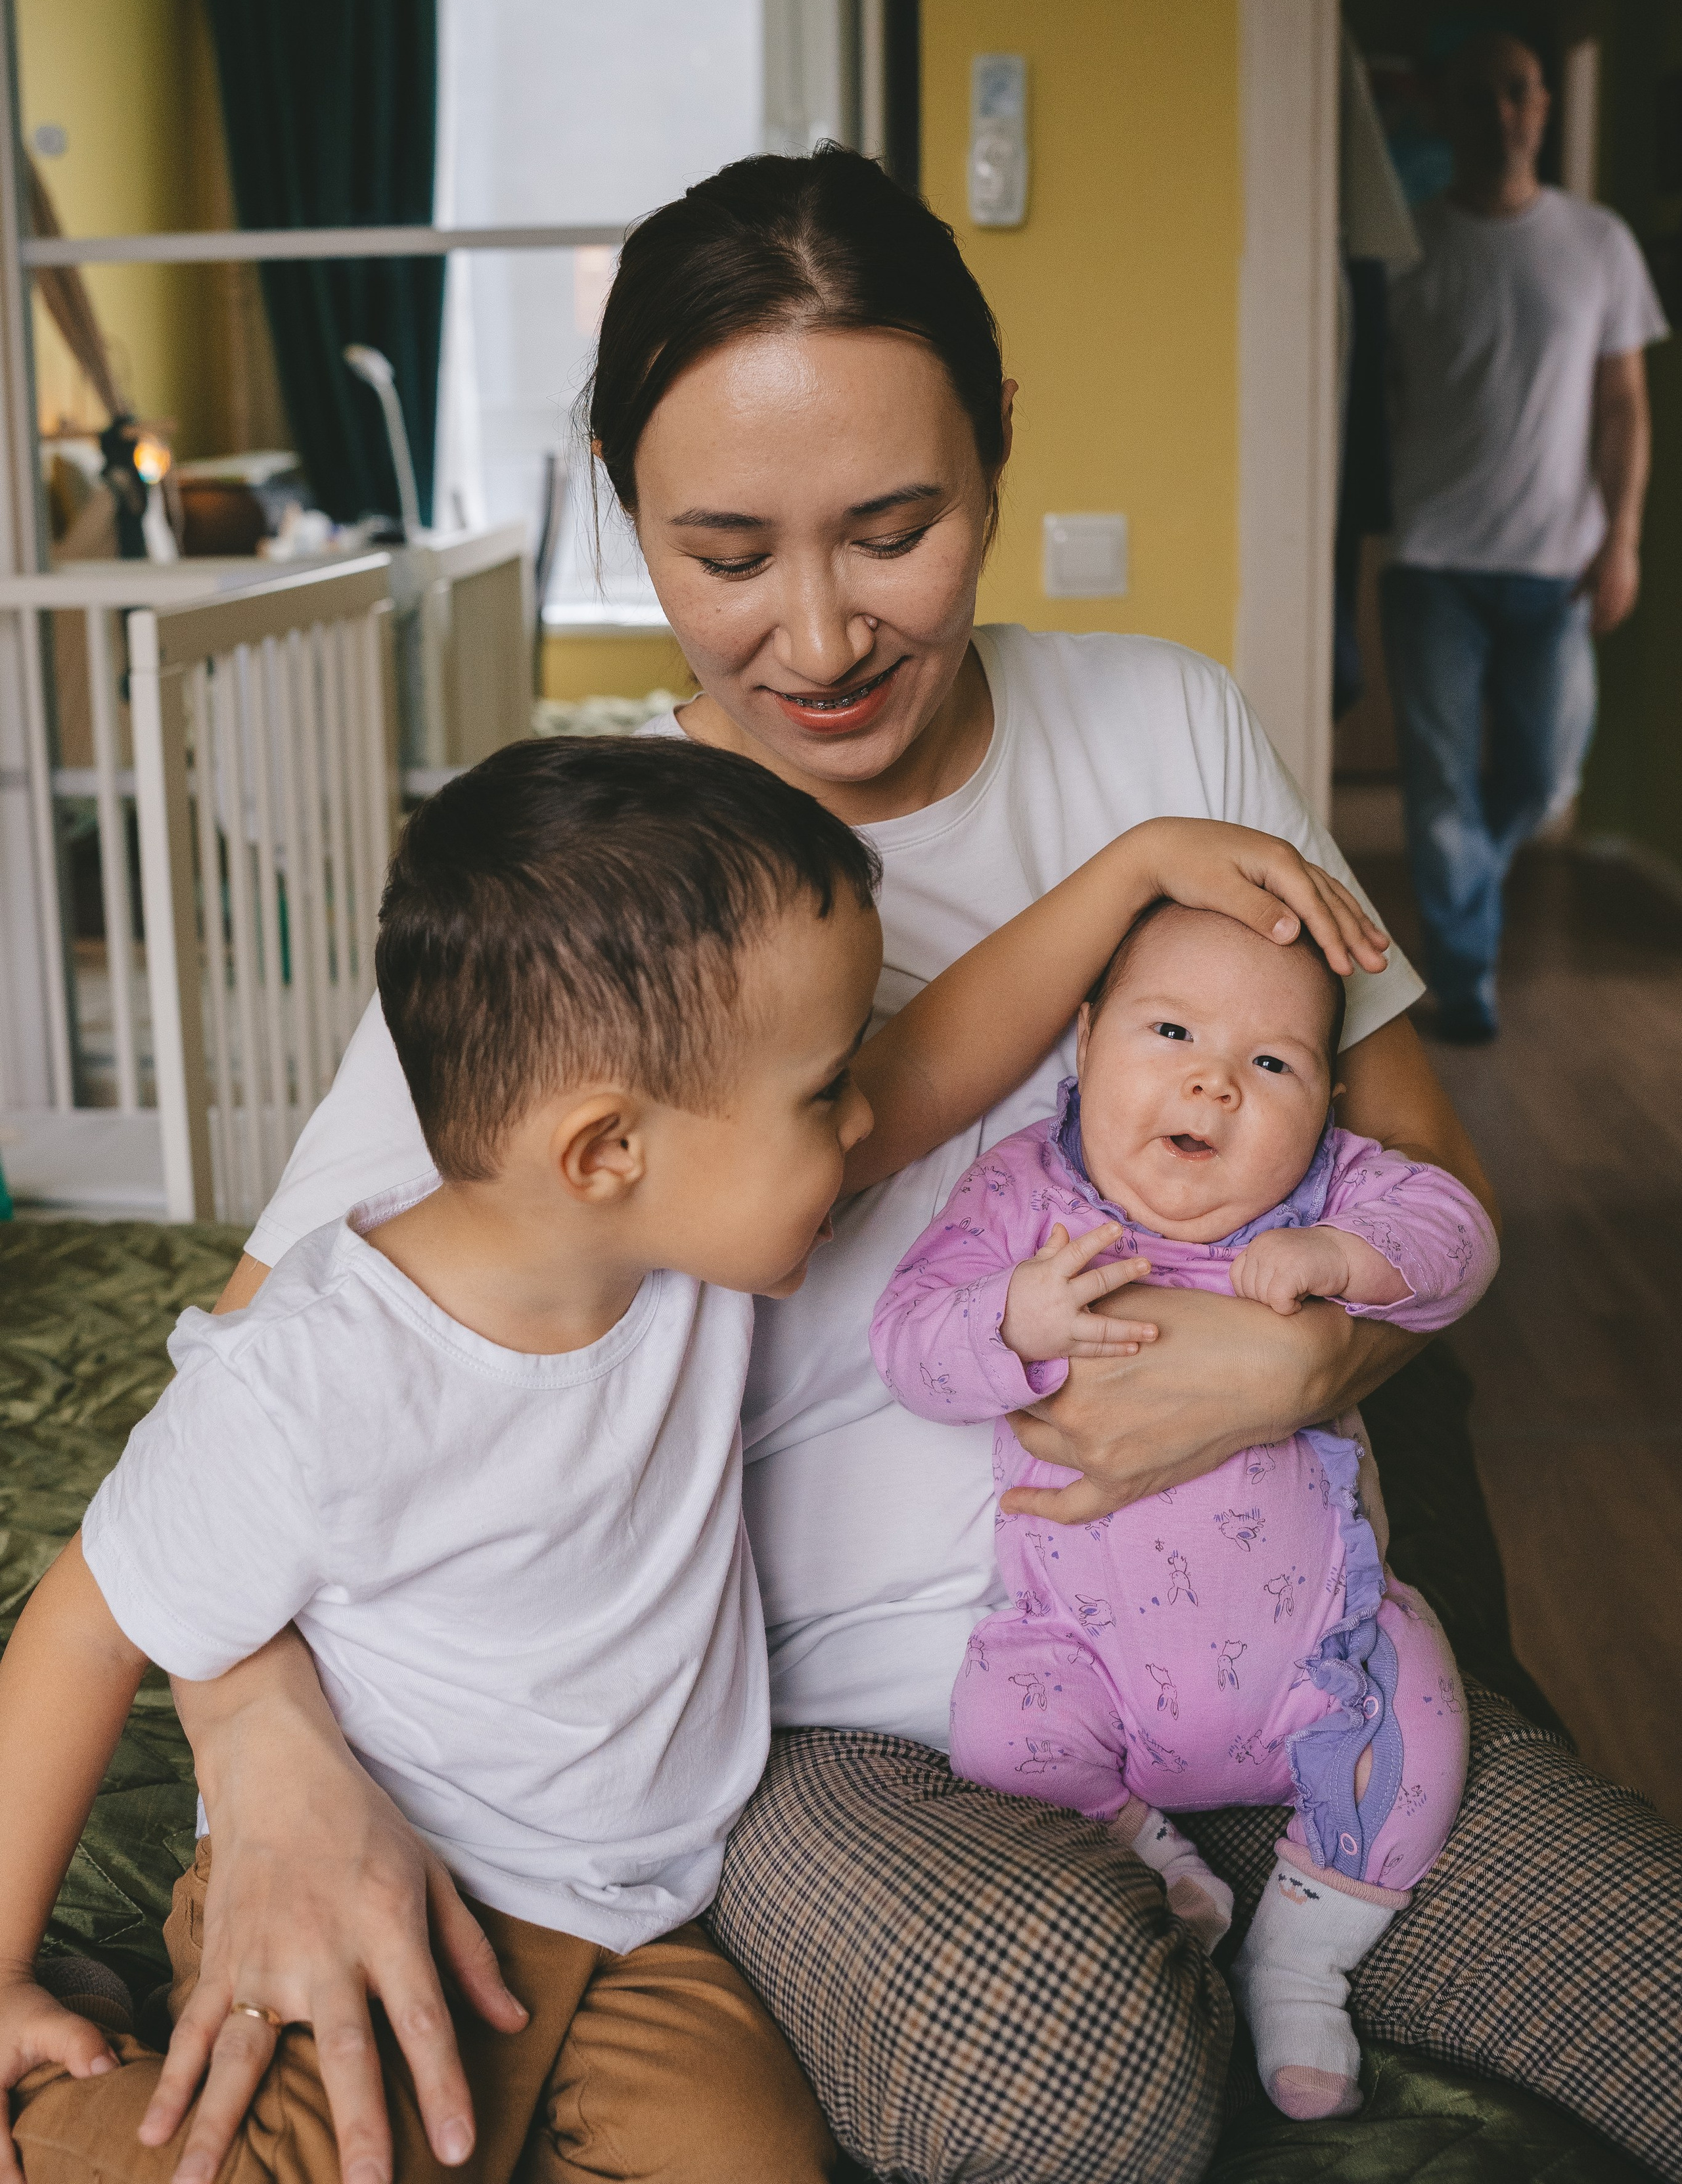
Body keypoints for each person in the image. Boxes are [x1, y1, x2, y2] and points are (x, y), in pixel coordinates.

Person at [139, 152, 1679, 2184]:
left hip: (1278, 1619)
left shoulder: (1169, 727)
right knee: (1074, 2087)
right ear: (622, 504)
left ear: (1000, 442)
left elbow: (1416, 1153)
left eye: (895, 529)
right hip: (858, 1719)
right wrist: (260, 1754)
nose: (819, 632)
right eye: (724, 552)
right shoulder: (607, 882)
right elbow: (264, 1369)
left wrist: (1306, 1368)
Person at [0, 735, 1379, 2184]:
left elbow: (934, 1057)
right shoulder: (314, 1377)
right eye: (822, 1091)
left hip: (633, 1927)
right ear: (605, 1151)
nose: (865, 1123)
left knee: (750, 2158)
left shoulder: (684, 1248)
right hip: (376, 1913)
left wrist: (1131, 873)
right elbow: (81, 1625)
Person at [871, 898, 1499, 2123]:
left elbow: (1461, 1236)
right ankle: (1141, 1848)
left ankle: (1303, 1958)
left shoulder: (1330, 1191)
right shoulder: (1023, 1201)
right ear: (1087, 1040)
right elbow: (904, 1343)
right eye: (1171, 1034)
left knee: (1426, 1706)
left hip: (1328, 1662)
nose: (1215, 1086)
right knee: (1001, 1729)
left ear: (1322, 1103)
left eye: (1272, 1064)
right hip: (1085, 1665)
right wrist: (1012, 1320)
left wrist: (1343, 1263)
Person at [1382, 29, 1668, 1042]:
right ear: (1448, 113)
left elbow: (1626, 405)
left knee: (1547, 778)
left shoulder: (1599, 244)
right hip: (1433, 566)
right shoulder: (1406, 247)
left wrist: (1624, 535)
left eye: (1520, 92)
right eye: (1479, 95)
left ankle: (1465, 883)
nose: (1503, 112)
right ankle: (1464, 987)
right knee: (1445, 790)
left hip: (1560, 566)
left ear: (1543, 107)